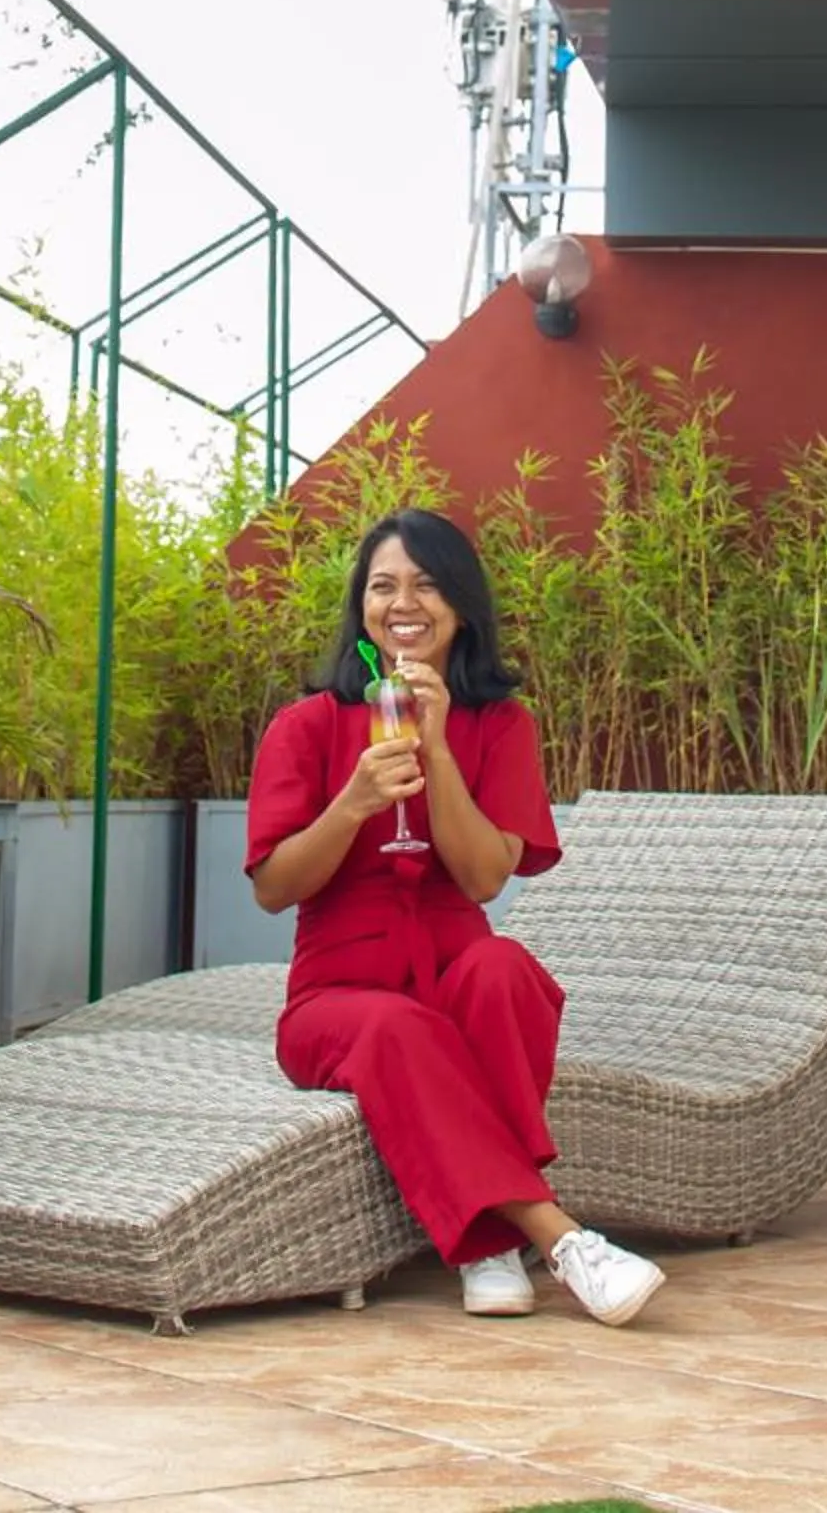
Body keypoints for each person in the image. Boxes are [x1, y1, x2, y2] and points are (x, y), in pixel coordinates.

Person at [246, 506, 664, 1326]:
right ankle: (554, 1236)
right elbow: (273, 887)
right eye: (384, 586)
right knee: (398, 1029)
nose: (404, 603)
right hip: (337, 997)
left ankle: (488, 1245)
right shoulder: (307, 726)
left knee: (506, 972)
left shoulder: (500, 724)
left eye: (428, 585)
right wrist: (352, 802)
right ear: (361, 607)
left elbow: (479, 880)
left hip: (452, 962)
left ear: (462, 607)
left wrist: (435, 749)